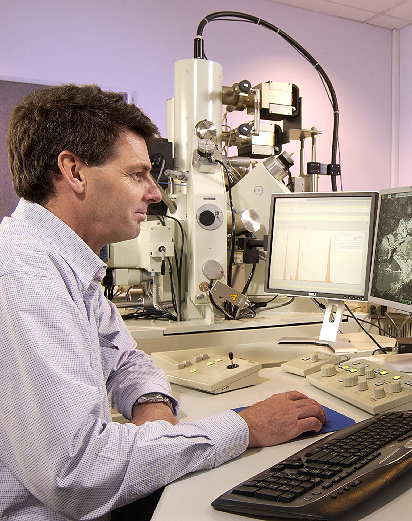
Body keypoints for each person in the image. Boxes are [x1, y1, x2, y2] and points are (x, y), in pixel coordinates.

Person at [0, 84, 327, 520]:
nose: (155, 194)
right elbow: (79, 476)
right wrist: (244, 427)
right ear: (74, 171)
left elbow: (124, 360)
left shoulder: (67, 265)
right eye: (137, 174)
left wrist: (152, 408)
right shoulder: (25, 276)